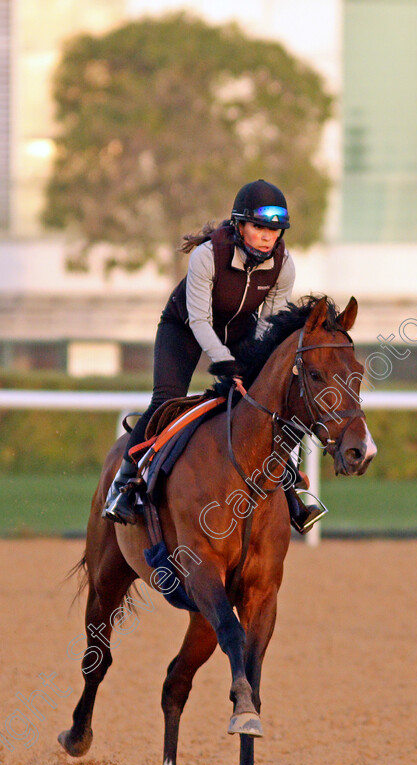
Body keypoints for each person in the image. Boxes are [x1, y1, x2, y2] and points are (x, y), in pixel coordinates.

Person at [103, 179, 326, 532]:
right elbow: (199, 320)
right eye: (259, 227)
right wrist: (224, 361)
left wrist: (255, 363)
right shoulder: (207, 256)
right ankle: (123, 487)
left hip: (238, 332)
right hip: (185, 330)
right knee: (166, 399)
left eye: (275, 230)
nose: (268, 237)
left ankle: (291, 490)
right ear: (239, 225)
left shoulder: (284, 266)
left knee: (276, 398)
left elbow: (268, 324)